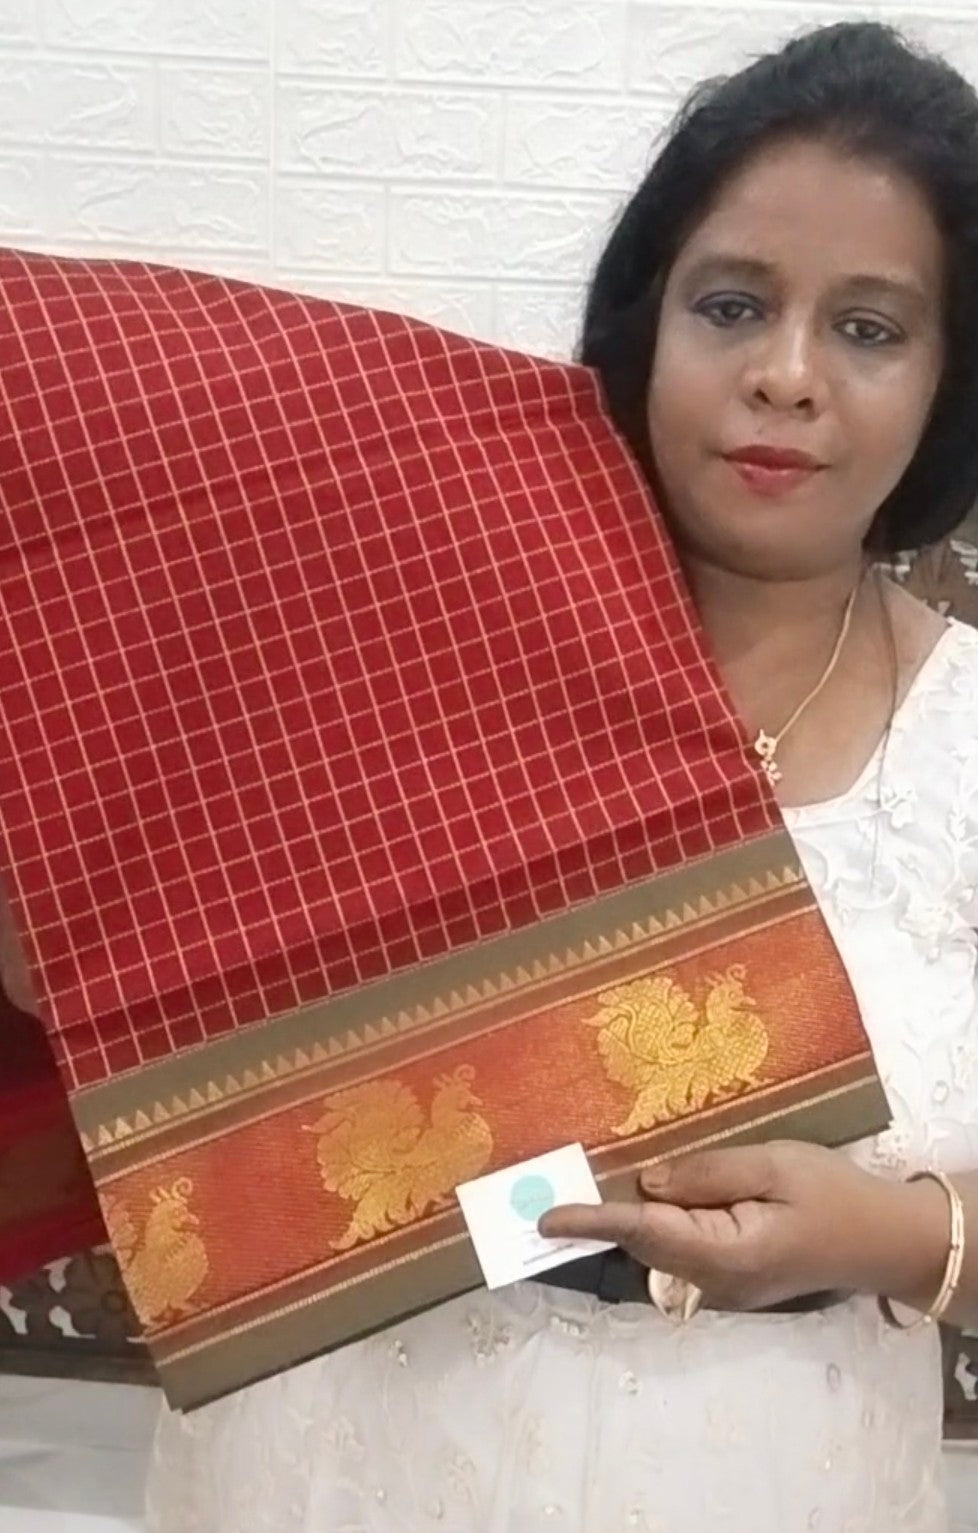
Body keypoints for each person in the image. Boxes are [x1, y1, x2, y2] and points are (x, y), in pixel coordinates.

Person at [144, 22, 978, 1532]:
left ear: (949, 378)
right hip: (343, 1462)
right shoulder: (403, 633)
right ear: (645, 323)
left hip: (782, 1475)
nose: (786, 375)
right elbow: (147, 997)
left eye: (868, 328)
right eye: (733, 304)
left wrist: (889, 1237)